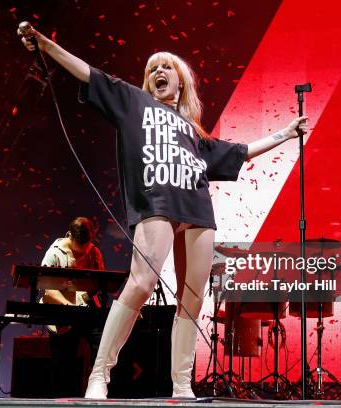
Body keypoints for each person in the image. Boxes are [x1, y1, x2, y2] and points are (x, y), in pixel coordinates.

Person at [20, 27, 308, 399]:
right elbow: (87, 71)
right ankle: (100, 373)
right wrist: (45, 44)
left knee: (192, 297)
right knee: (141, 281)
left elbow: (237, 151)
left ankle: (182, 383)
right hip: (156, 203)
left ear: (180, 81)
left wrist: (284, 134)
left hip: (196, 208)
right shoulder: (132, 103)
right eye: (153, 66)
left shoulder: (193, 130)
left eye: (167, 66)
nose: (159, 70)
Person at [40, 216, 105, 397]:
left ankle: (97, 390)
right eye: (80, 247)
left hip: (88, 312)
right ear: (70, 236)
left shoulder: (94, 252)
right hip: (64, 313)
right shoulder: (54, 252)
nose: (84, 251)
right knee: (63, 363)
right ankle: (62, 400)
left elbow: (102, 283)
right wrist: (69, 306)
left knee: (102, 347)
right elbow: (47, 288)